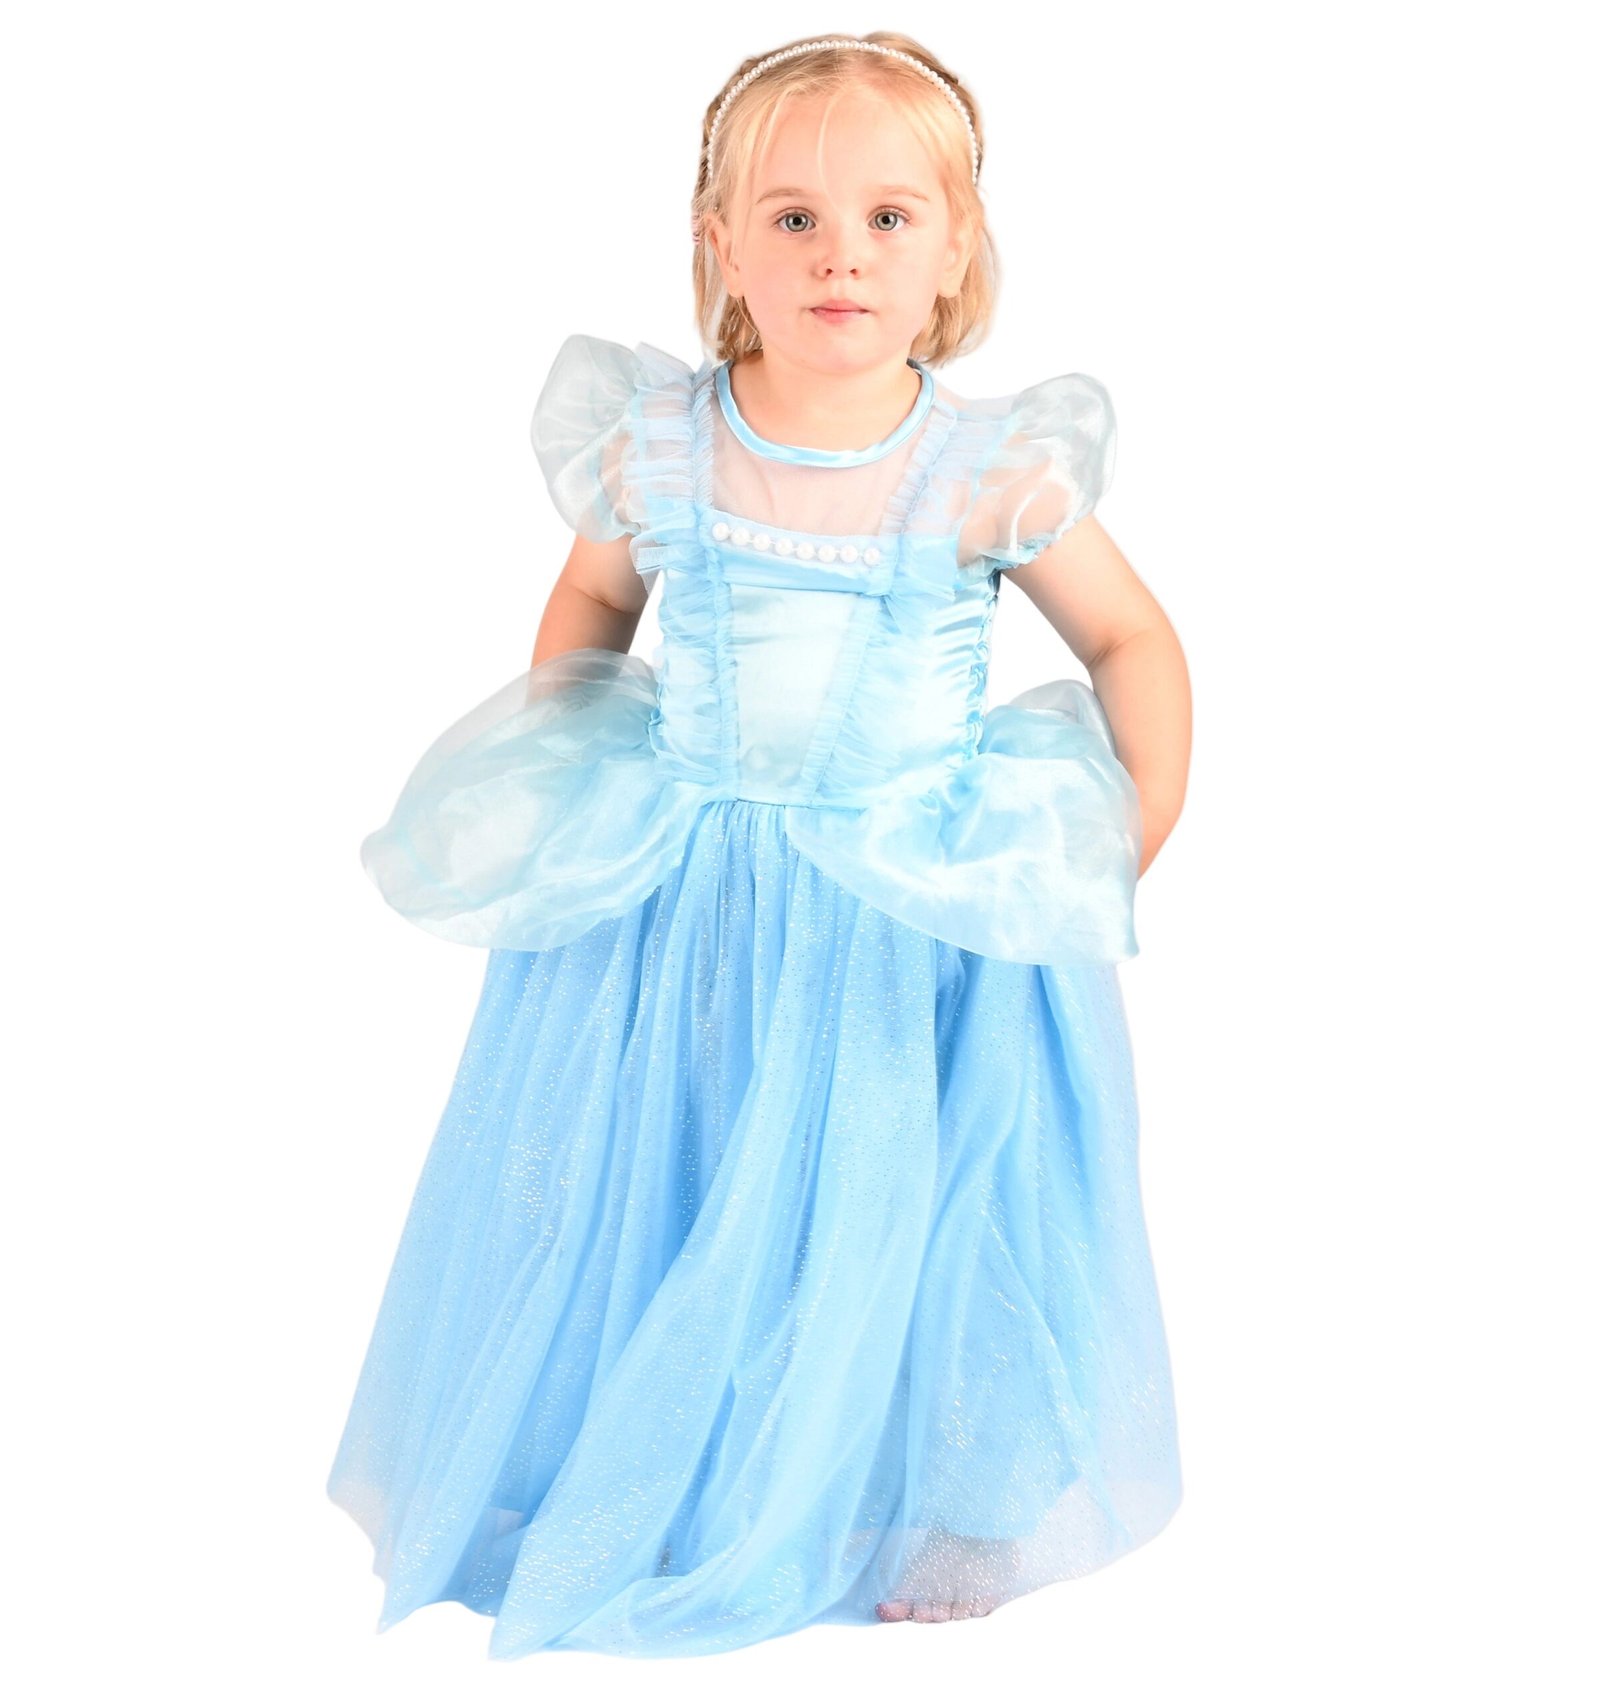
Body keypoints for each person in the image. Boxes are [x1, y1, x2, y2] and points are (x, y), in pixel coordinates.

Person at [327, 29, 1192, 1660]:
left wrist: (1121, 832)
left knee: (908, 1198)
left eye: (887, 218)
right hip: (690, 909)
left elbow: (1130, 640)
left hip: (904, 907)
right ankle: (670, 1471)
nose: (838, 255)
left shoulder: (987, 470)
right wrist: (567, 752)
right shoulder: (662, 444)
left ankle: (929, 1498)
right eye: (792, 218)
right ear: (723, 247)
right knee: (668, 1174)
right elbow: (594, 600)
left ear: (954, 251)